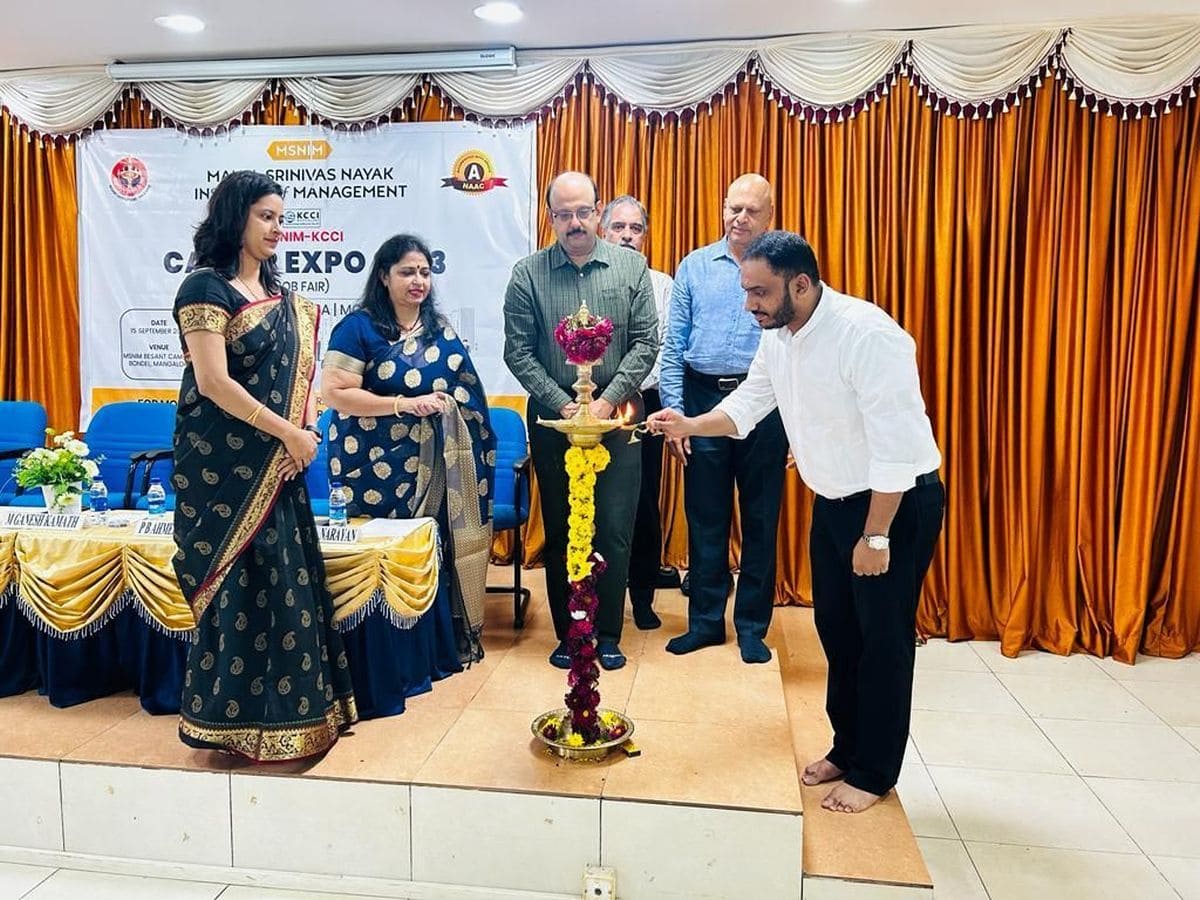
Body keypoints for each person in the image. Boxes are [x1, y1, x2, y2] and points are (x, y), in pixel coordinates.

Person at [648, 231, 944, 813]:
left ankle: (875, 772)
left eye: (759, 292)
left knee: (881, 642)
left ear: (801, 284)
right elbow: (745, 409)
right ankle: (847, 746)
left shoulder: (869, 335)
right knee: (837, 631)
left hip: (894, 506)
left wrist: (876, 535)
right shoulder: (779, 337)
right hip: (833, 502)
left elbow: (896, 449)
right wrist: (686, 425)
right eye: (745, 292)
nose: (749, 305)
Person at [172, 170, 357, 761]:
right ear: (236, 218)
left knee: (287, 580)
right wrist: (289, 435)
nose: (277, 228)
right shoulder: (206, 288)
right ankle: (233, 722)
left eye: (281, 217)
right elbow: (213, 383)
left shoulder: (281, 301)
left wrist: (303, 432)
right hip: (224, 468)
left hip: (279, 465)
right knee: (239, 587)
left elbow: (300, 382)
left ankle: (300, 716)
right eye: (265, 217)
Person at [321, 234, 495, 694]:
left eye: (423, 271)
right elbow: (334, 394)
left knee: (427, 551)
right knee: (381, 556)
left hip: (433, 466)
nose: (418, 281)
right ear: (383, 276)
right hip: (370, 464)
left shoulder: (439, 329)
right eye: (406, 272)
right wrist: (403, 404)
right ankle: (382, 665)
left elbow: (467, 395)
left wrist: (444, 408)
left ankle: (430, 654)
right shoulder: (358, 328)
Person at [503, 172, 658, 670]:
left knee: (613, 526)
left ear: (598, 212)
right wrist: (567, 407)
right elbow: (518, 352)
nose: (575, 222)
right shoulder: (527, 274)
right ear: (551, 218)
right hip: (555, 421)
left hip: (617, 419)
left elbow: (645, 345)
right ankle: (570, 633)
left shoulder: (631, 268)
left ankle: (607, 632)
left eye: (583, 211)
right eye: (564, 214)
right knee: (566, 523)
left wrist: (605, 403)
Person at [658, 174, 788, 664]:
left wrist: (795, 422)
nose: (740, 218)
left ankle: (752, 628)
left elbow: (795, 348)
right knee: (706, 520)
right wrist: (676, 414)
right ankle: (706, 623)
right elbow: (674, 345)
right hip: (702, 401)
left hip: (766, 407)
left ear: (769, 215)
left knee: (760, 519)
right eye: (733, 208)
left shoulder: (784, 267)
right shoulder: (694, 266)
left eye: (751, 211)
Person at [599, 194, 678, 629]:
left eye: (636, 229)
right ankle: (593, 597)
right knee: (593, 504)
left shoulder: (663, 285)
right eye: (619, 227)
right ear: (603, 231)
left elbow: (665, 349)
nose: (627, 236)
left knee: (642, 502)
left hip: (643, 404)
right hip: (591, 407)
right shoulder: (585, 279)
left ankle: (642, 597)